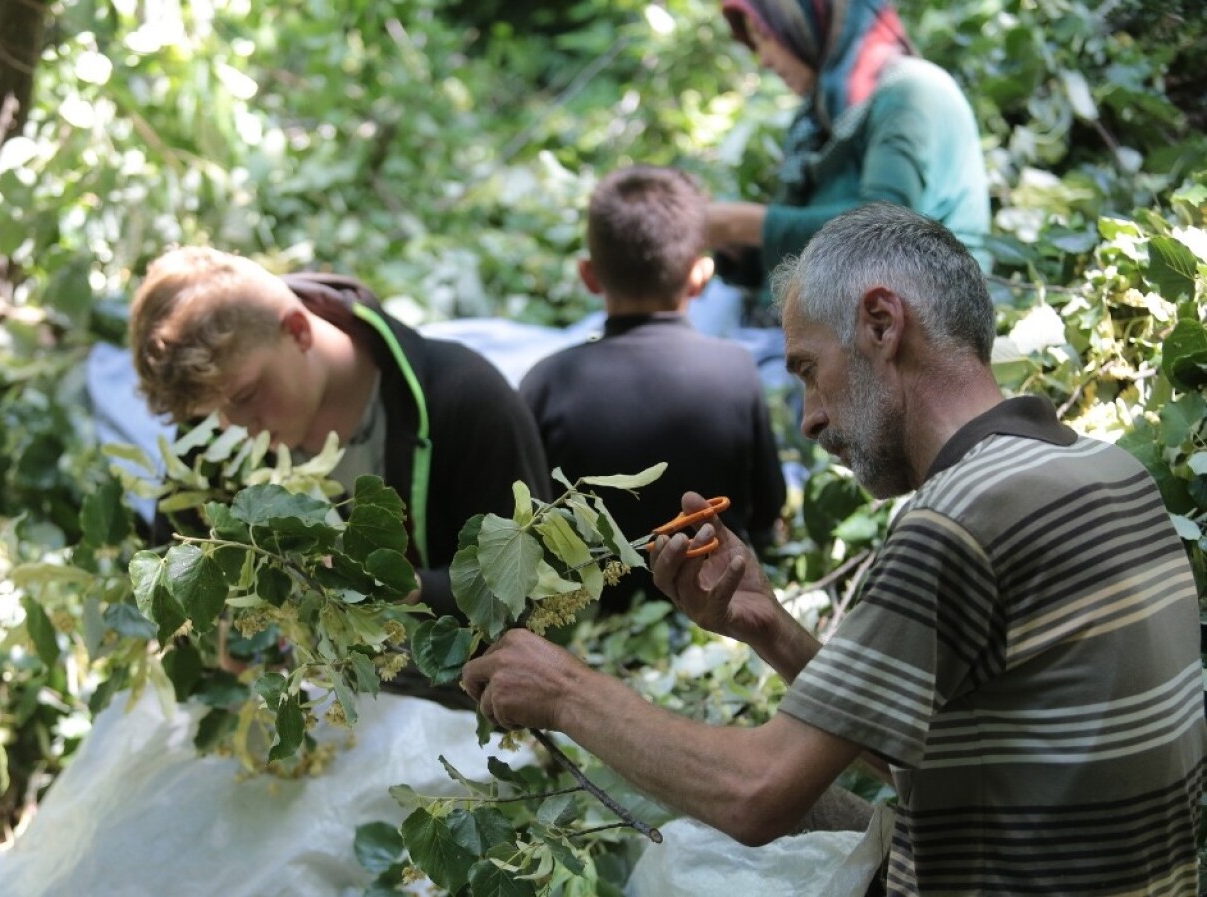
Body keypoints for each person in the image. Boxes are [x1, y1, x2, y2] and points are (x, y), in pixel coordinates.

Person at [461, 204, 1205, 896]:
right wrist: (770, 627)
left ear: (882, 323)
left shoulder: (960, 519)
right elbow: (951, 750)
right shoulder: (1108, 471)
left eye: (809, 370)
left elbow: (755, 794)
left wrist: (564, 689)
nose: (812, 420)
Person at [128, 246, 553, 619]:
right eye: (208, 413)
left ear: (297, 330)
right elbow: (177, 584)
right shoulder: (210, 437)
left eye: (245, 394)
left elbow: (529, 594)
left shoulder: (465, 400)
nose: (231, 427)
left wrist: (404, 589)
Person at [519, 165, 784, 614]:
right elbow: (766, 513)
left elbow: (522, 532)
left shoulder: (546, 381)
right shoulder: (735, 370)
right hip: (715, 611)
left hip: (585, 616)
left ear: (589, 276)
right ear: (701, 276)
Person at [704, 0, 990, 328]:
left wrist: (741, 224)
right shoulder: (820, 117)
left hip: (926, 326)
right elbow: (803, 249)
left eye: (764, 36)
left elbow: (884, 233)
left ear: (807, 20)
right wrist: (739, 247)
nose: (763, 58)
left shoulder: (911, 92)